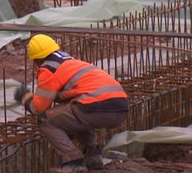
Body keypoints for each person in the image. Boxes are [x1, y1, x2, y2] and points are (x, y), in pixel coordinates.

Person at [14, 34, 129, 173]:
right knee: (73, 114)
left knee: (45, 119)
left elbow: (38, 108)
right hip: (120, 108)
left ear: (36, 60)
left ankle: (74, 161)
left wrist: (25, 97)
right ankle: (93, 157)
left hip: (96, 107)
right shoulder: (71, 63)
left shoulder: (48, 68)